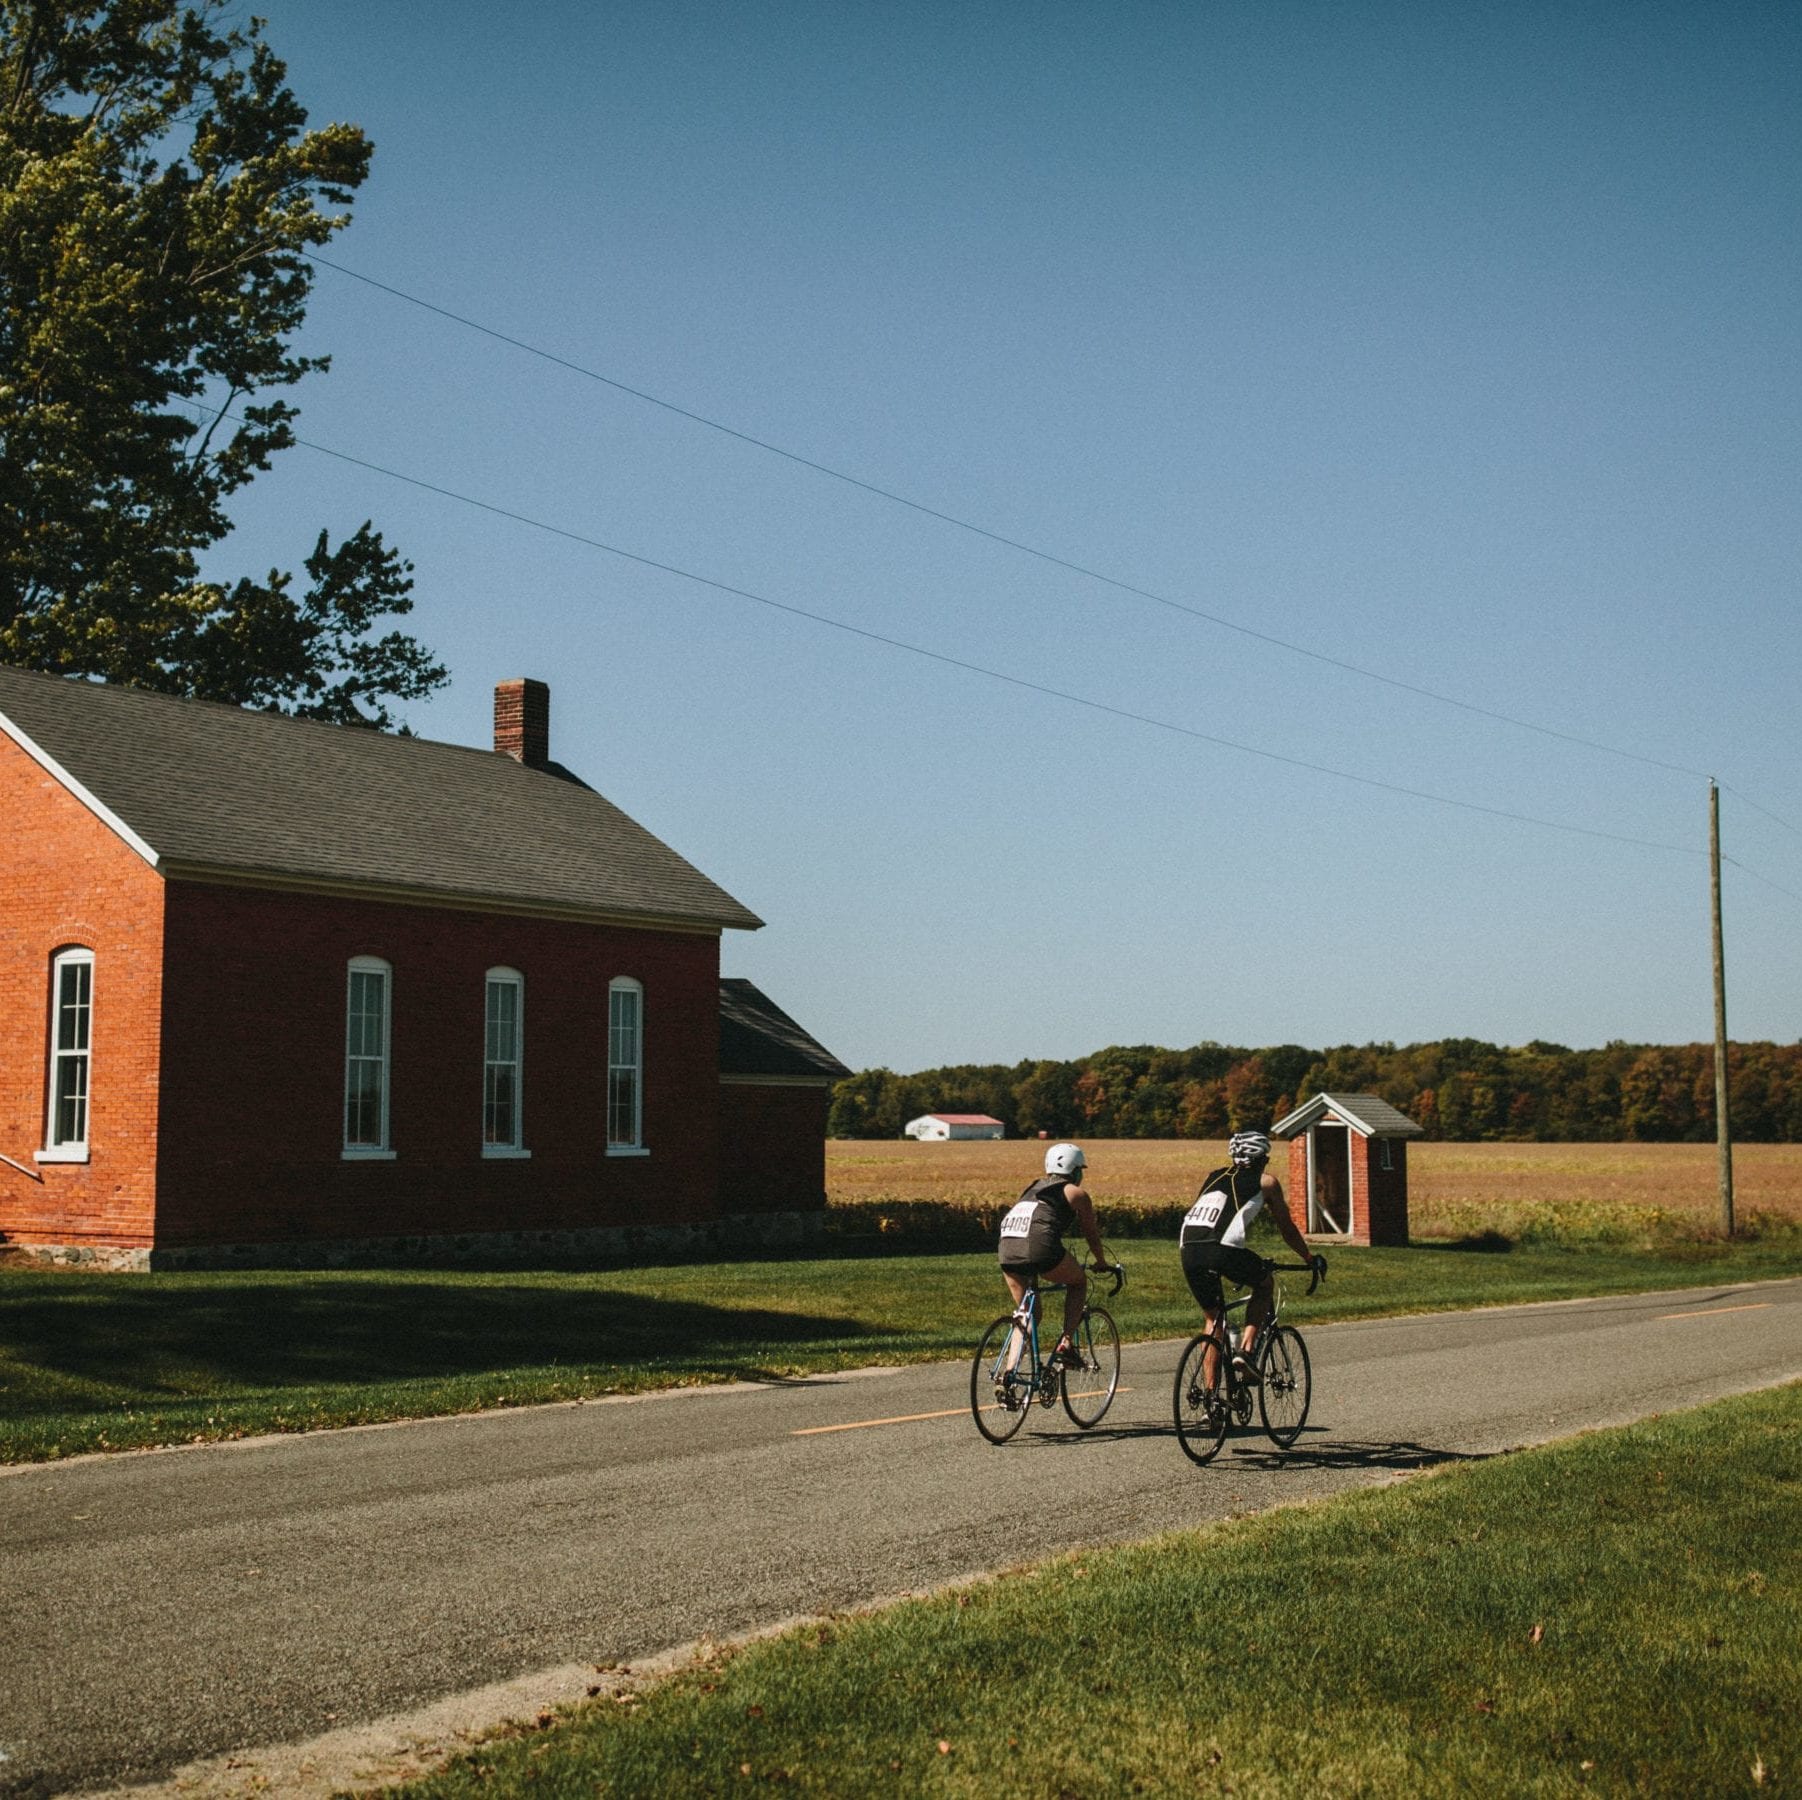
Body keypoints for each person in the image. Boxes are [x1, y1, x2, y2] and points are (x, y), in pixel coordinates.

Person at [1179, 1129, 1324, 1386]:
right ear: (1261, 1159)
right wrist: (1309, 1258)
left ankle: (1211, 1398)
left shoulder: (1214, 1177)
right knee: (1265, 1283)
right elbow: (1287, 1230)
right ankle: (1246, 1352)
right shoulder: (1265, 1182)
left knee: (1214, 1320)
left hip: (1188, 1248)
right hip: (1223, 1248)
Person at [996, 1141, 1112, 1371]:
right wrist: (1100, 1261)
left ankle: (1009, 1374)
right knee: (1078, 1282)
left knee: (1028, 1315)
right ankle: (1067, 1344)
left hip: (1007, 1248)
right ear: (1075, 1170)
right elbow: (1091, 1233)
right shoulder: (1075, 1192)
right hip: (1039, 1248)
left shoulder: (1031, 1189)